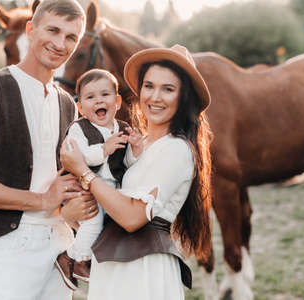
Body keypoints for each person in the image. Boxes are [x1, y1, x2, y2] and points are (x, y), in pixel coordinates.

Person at [0, 1, 98, 299]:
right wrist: (43, 199)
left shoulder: (67, 103)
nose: (60, 43)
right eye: (53, 30)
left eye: (71, 37)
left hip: (60, 245)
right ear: (30, 30)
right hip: (5, 246)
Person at [60, 44, 213, 299]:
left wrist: (84, 172)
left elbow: (132, 218)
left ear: (183, 97)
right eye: (149, 86)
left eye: (168, 89)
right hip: (113, 260)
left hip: (143, 268)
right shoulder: (137, 146)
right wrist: (70, 211)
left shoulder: (176, 149)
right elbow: (106, 206)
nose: (155, 97)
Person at [54, 69, 143, 290]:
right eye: (90, 97)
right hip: (82, 188)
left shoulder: (122, 128)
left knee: (116, 222)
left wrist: (136, 151)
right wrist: (103, 149)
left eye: (105, 95)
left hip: (111, 190)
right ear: (80, 106)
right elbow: (76, 158)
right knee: (93, 220)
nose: (98, 101)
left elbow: (127, 165)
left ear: (118, 101)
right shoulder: (78, 129)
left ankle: (93, 260)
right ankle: (74, 258)